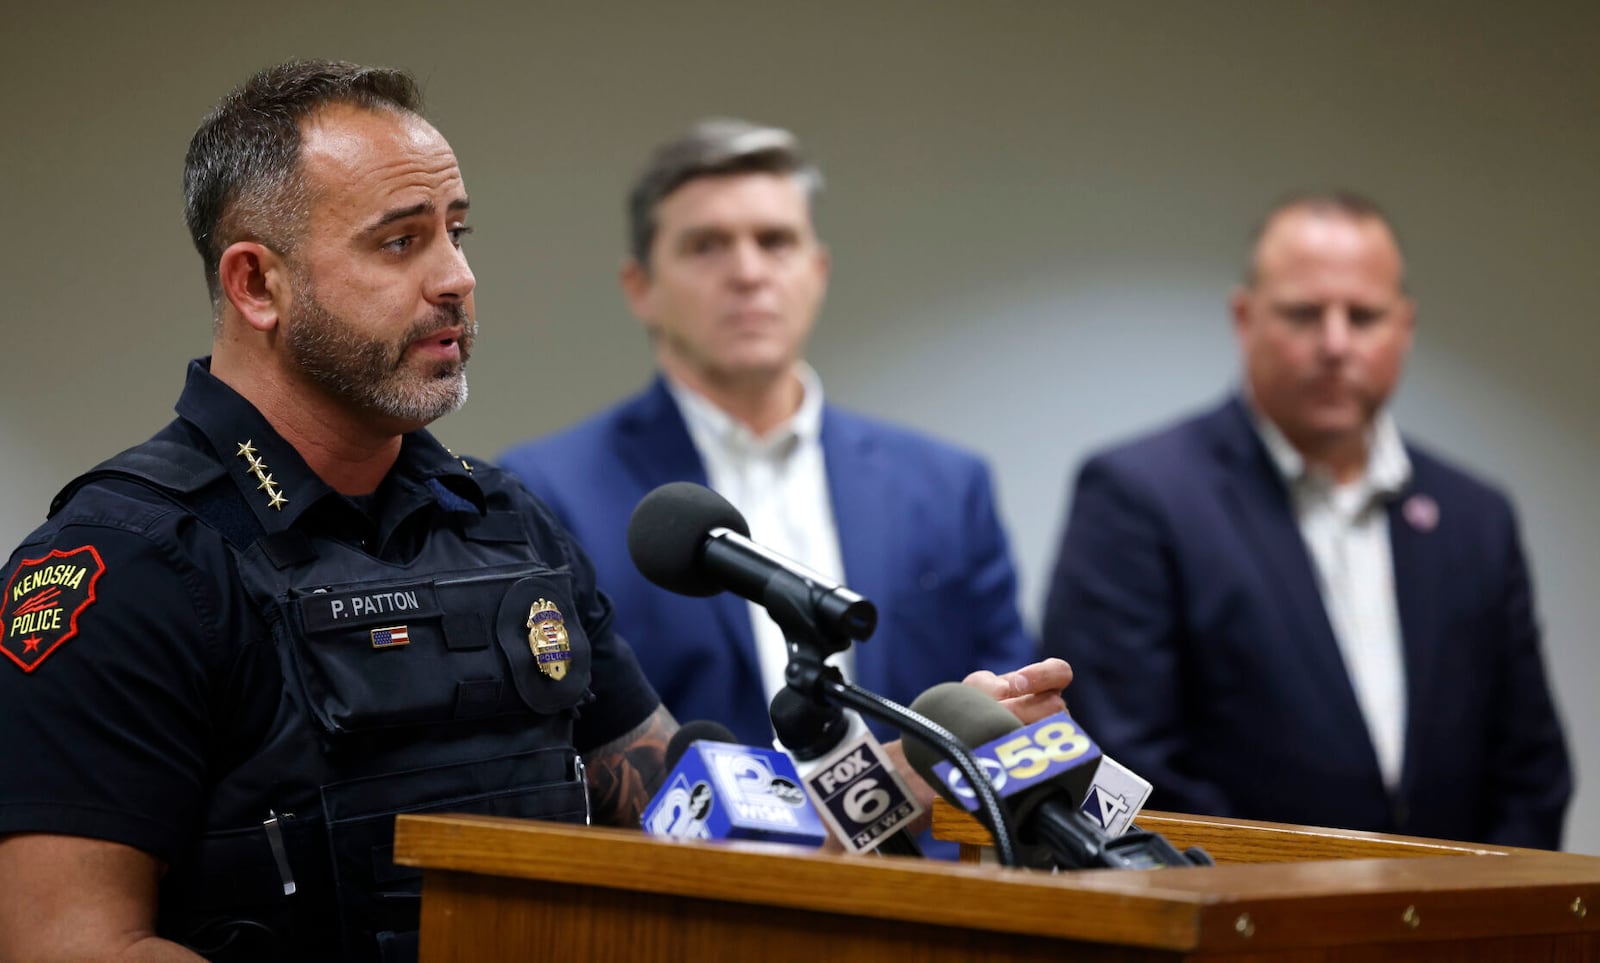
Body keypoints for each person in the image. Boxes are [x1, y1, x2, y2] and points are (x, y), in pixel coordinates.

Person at [0, 62, 1070, 962]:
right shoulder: (125, 561)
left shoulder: (505, 523)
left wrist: (908, 762)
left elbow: (685, 822)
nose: (457, 279)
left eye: (458, 233)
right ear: (257, 285)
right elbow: (67, 946)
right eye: (399, 241)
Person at [1040, 192, 1572, 848]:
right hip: (1234, 928)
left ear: (1404, 326)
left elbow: (1531, 771)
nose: (1336, 343)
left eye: (1365, 315)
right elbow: (1125, 758)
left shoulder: (1475, 517)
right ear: (1244, 318)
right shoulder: (1139, 495)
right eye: (1303, 313)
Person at [498, 119, 1037, 747]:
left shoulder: (946, 485)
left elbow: (1007, 707)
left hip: (916, 843)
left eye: (775, 241)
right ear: (641, 288)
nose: (748, 272)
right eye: (706, 246)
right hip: (680, 843)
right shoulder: (545, 492)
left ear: (819, 270)